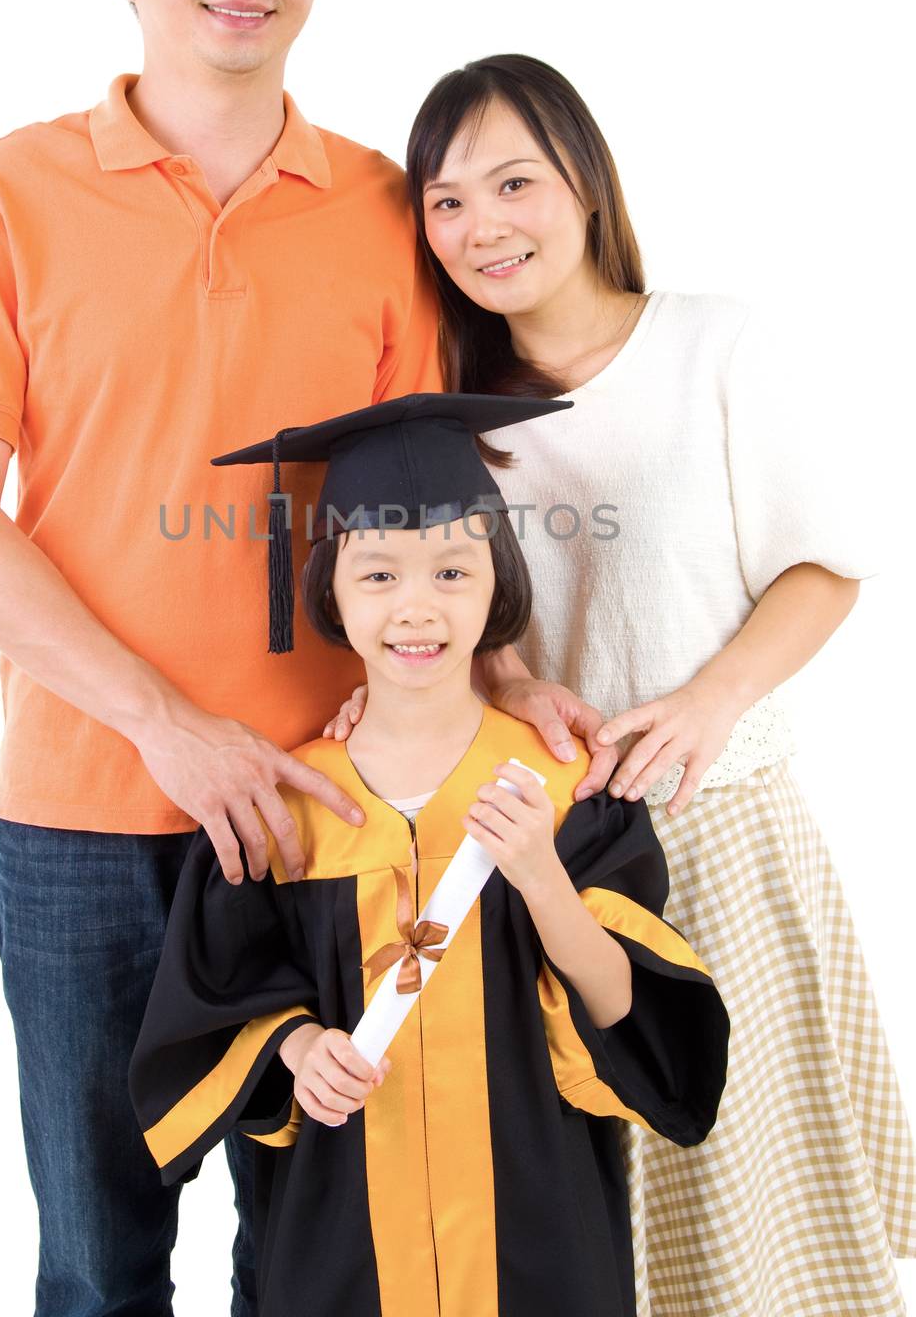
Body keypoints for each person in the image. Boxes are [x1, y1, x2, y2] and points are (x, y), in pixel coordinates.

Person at [0, 0, 614, 1316]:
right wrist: (171, 725)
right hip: (81, 819)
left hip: (336, 812)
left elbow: (427, 497)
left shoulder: (374, 204)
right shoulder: (6, 194)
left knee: (313, 1251)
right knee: (98, 1260)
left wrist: (509, 675)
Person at [332, 52, 916, 1315]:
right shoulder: (449, 414)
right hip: (543, 857)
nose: (481, 225)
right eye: (445, 201)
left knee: (751, 1208)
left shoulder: (713, 345)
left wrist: (708, 704)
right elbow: (443, 609)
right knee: (581, 1217)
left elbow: (827, 563)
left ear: (584, 185)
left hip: (718, 835)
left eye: (513, 182)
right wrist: (465, 681)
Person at [129, 393, 730, 1317]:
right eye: (377, 577)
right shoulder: (289, 811)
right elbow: (213, 1005)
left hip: (538, 1236)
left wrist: (539, 874)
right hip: (340, 1243)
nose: (417, 608)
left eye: (454, 570)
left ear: (501, 587)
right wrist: (298, 1047)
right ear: (326, 589)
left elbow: (631, 1011)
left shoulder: (564, 788)